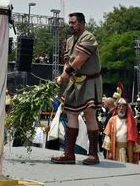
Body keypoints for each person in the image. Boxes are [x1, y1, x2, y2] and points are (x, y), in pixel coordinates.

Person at [51, 12, 102, 165]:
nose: (71, 25)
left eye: (73, 22)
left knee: (90, 115)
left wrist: (66, 74)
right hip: (74, 81)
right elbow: (67, 62)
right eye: (70, 23)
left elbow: (80, 59)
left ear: (82, 23)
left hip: (89, 80)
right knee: (70, 113)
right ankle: (69, 154)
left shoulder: (88, 37)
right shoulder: (69, 40)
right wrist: (63, 76)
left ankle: (93, 154)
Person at [102, 98, 140, 164]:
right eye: (119, 106)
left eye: (123, 106)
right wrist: (108, 151)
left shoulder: (130, 121)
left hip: (127, 150)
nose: (121, 108)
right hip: (115, 150)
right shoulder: (112, 120)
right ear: (117, 108)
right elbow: (108, 136)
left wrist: (136, 151)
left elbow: (134, 137)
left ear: (126, 108)